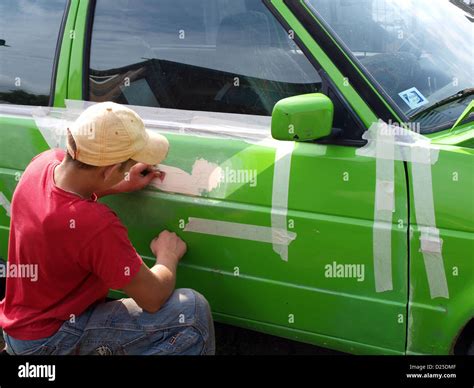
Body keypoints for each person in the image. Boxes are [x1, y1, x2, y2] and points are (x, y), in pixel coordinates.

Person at [0, 102, 215, 355]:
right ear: (111, 169)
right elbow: (153, 297)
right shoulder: (95, 224)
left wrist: (119, 183)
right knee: (192, 313)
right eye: (127, 164)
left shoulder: (42, 165)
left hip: (19, 329)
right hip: (50, 340)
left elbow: (69, 196)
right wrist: (167, 255)